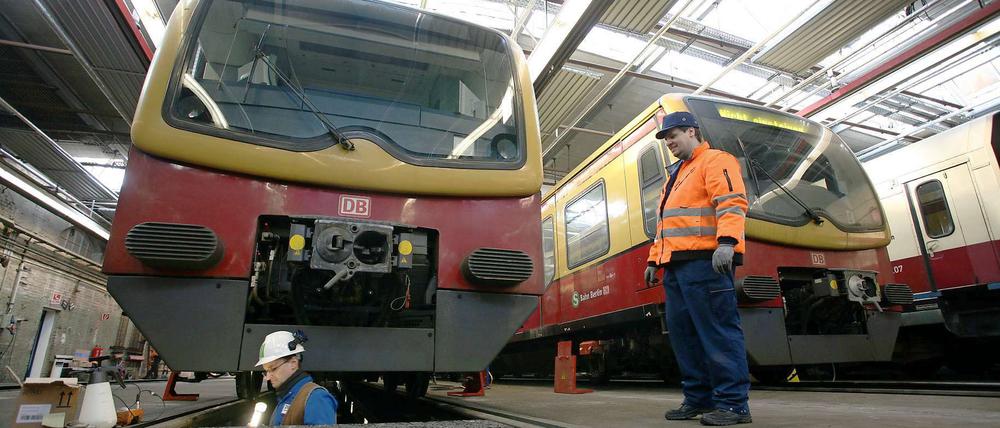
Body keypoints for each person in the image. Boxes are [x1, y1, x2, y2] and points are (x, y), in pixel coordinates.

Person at [645, 111, 752, 426]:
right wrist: (653, 259)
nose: (669, 143)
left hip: (706, 263)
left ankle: (733, 405)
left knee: (718, 332)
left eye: (673, 136)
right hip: (675, 266)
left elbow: (731, 202)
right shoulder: (676, 175)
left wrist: (727, 242)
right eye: (666, 139)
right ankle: (698, 398)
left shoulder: (716, 160)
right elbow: (665, 225)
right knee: (684, 336)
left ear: (691, 131)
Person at [256, 330, 338, 425]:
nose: (268, 377)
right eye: (266, 371)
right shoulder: (286, 397)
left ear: (293, 363)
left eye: (273, 369)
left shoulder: (316, 398)